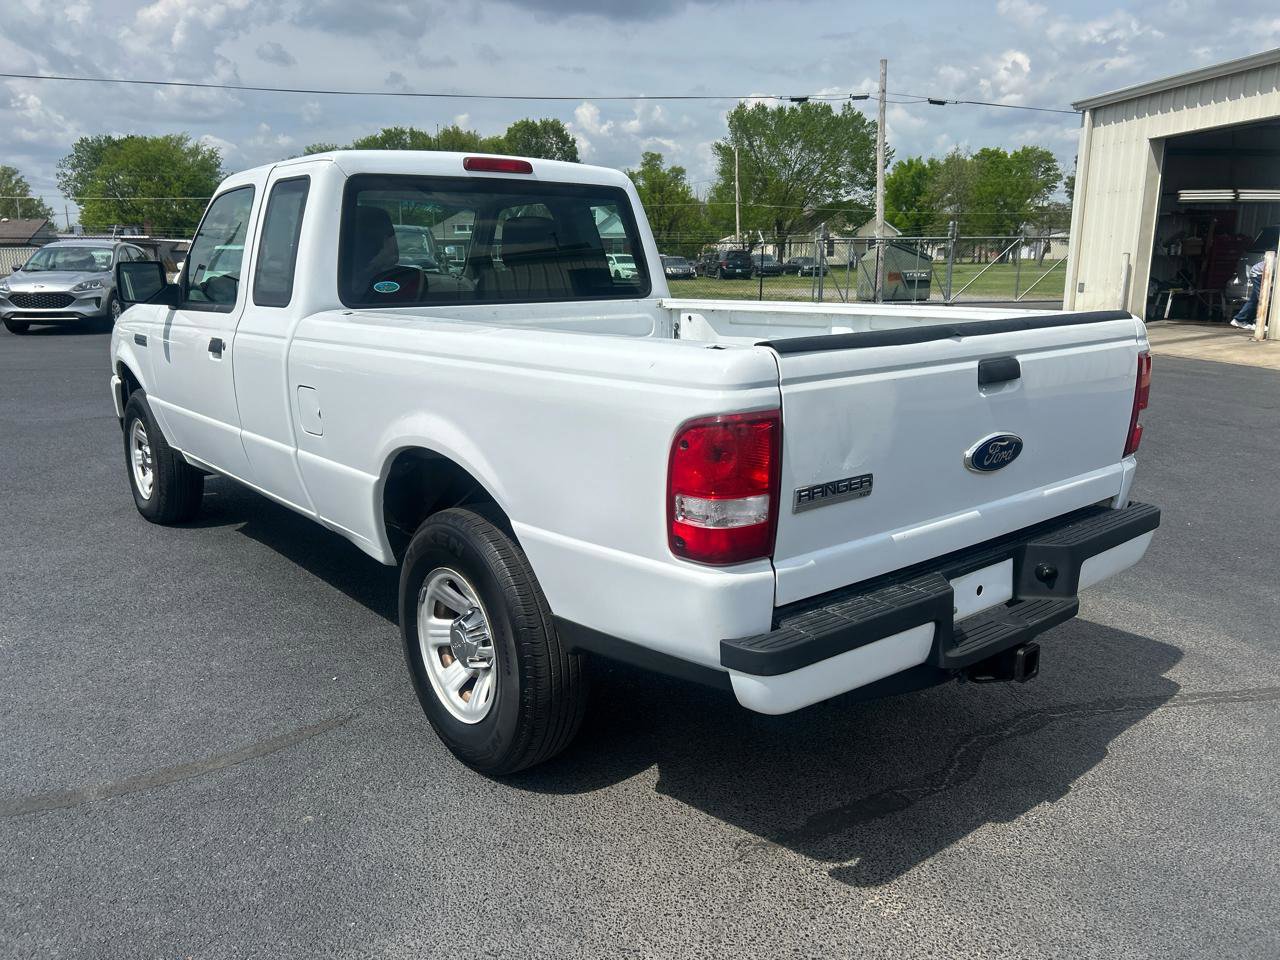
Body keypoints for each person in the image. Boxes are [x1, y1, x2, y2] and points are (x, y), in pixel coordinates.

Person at [1231, 259, 1266, 330]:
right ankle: (1258, 323)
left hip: (1259, 272)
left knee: (1255, 299)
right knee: (1262, 299)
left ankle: (1239, 319)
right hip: (1259, 273)